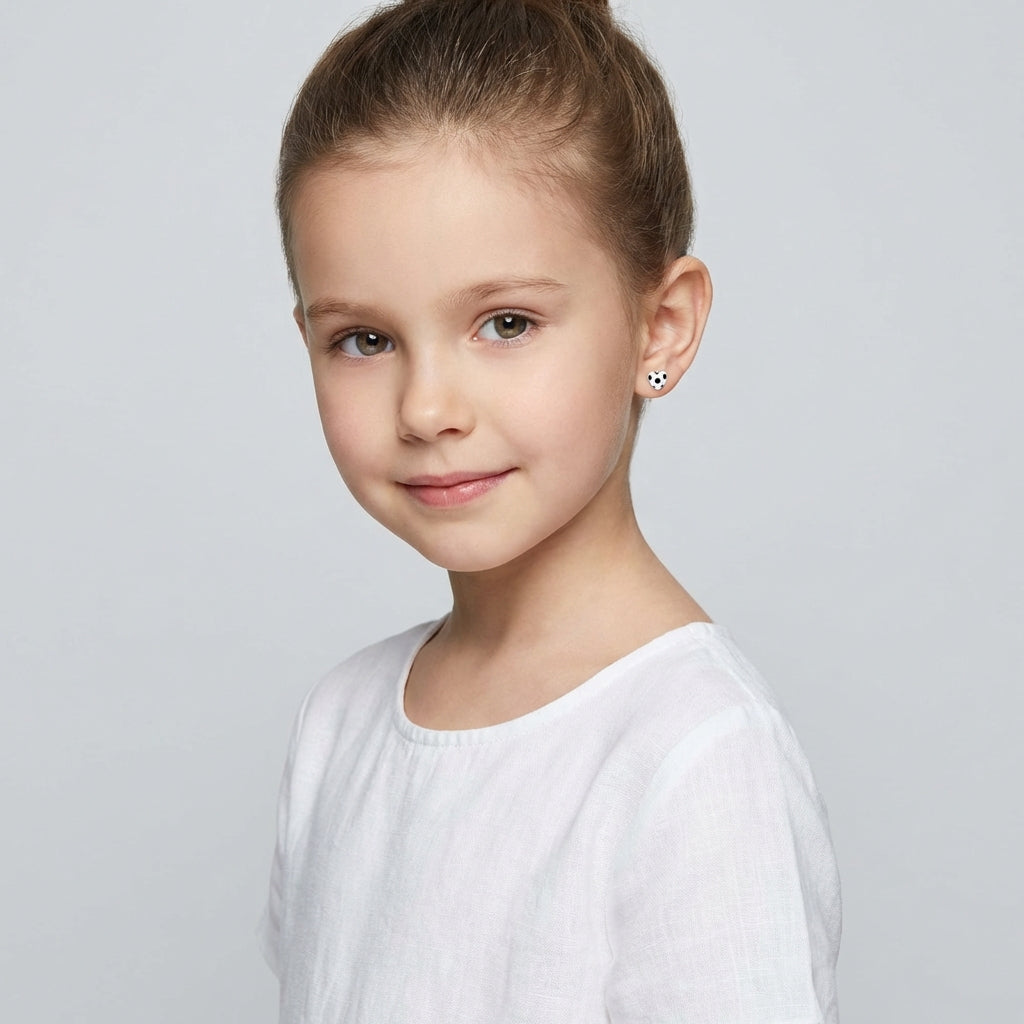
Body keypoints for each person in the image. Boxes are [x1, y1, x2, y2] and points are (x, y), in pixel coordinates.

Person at [260, 0, 842, 1020]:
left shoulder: (693, 756)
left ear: (659, 326)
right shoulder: (341, 723)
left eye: (505, 322)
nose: (427, 408)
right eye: (363, 339)